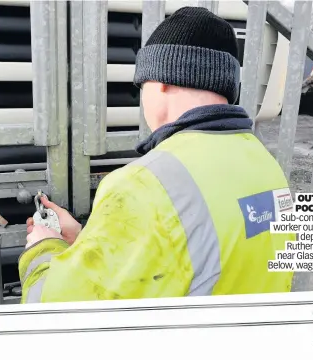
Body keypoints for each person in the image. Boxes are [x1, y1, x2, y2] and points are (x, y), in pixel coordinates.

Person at [19, 7, 295, 304]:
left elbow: (55, 312)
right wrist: (88, 238)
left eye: (142, 86)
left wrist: (44, 248)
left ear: (162, 81)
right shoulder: (267, 166)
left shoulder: (143, 185)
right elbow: (201, 258)